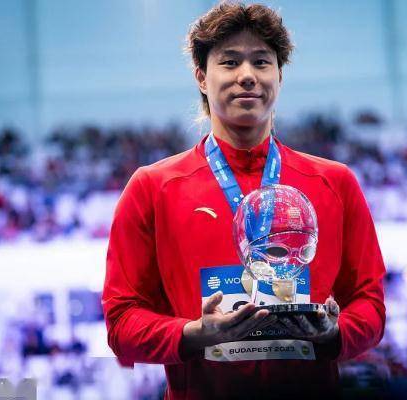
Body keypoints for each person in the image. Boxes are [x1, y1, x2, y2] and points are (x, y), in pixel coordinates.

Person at [102, 2, 386, 399]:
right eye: (230, 62)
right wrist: (192, 334)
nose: (248, 75)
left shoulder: (335, 183)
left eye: (262, 62)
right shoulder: (152, 188)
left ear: (279, 76)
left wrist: (335, 332)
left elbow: (370, 305)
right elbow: (121, 323)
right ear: (202, 77)